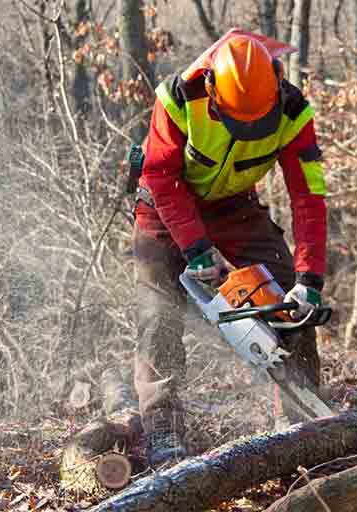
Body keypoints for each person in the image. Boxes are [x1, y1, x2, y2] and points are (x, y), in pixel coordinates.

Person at [132, 29, 328, 467]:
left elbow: (309, 196)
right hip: (164, 206)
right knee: (158, 312)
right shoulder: (178, 98)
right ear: (213, 94)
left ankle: (300, 421)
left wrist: (310, 278)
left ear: (275, 89)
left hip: (234, 204)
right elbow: (162, 176)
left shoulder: (294, 113)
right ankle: (163, 429)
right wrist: (196, 247)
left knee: (284, 293)